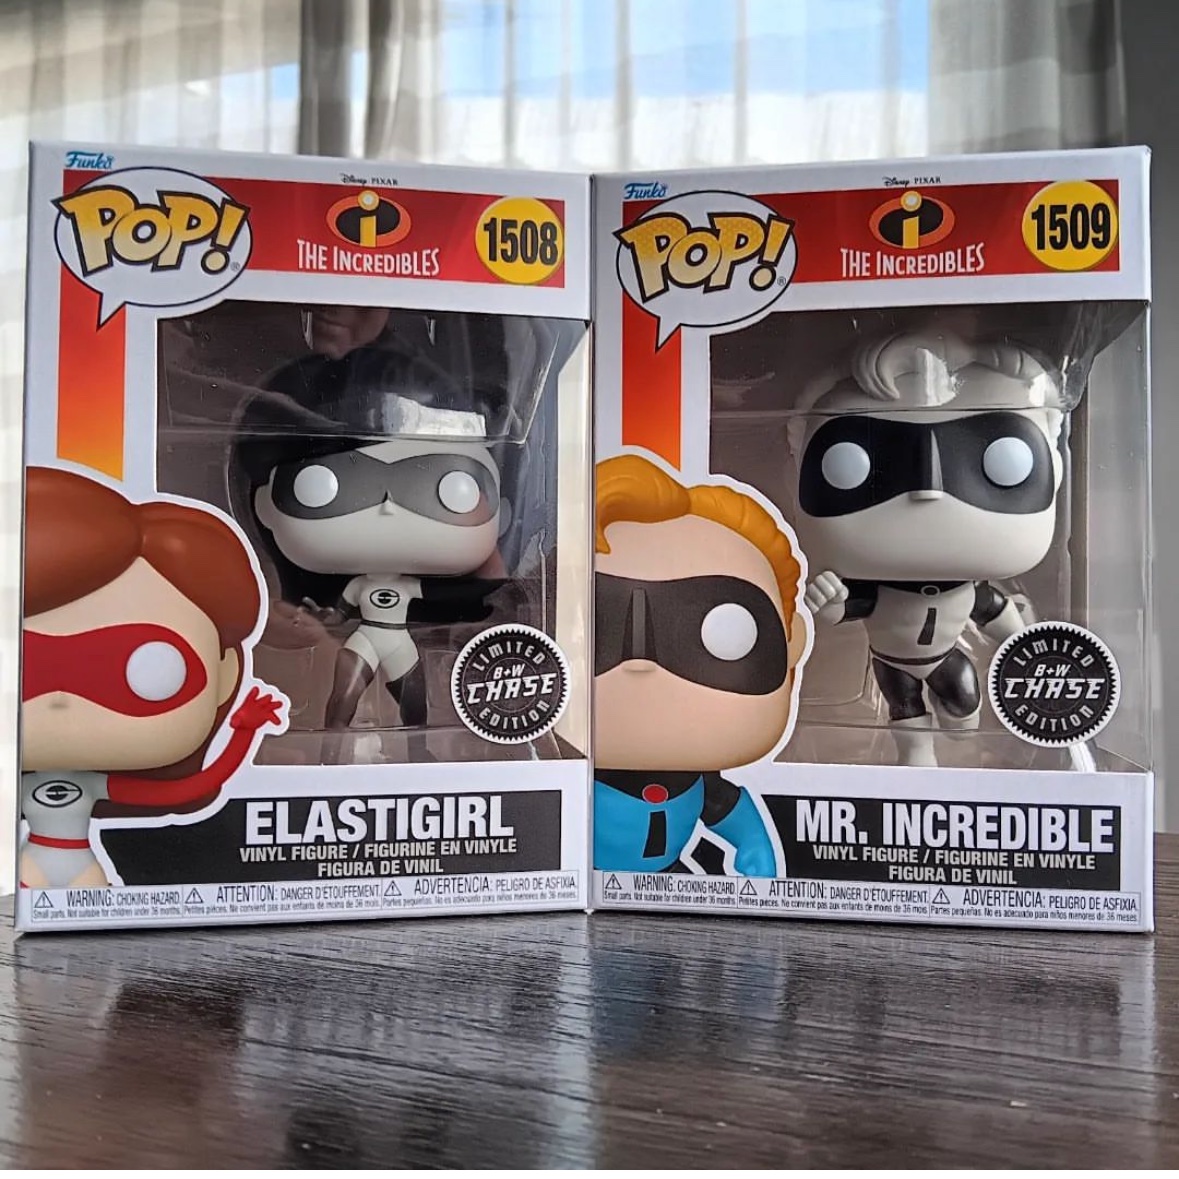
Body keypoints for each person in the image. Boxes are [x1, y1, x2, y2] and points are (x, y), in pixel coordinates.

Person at [794, 331, 1062, 766]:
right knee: (905, 711)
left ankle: (960, 730)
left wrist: (1025, 646)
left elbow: (995, 613)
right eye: (852, 463)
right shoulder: (875, 586)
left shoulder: (967, 587)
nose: (928, 490)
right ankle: (917, 754)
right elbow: (842, 609)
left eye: (1002, 461)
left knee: (964, 709)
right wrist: (826, 601)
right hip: (890, 661)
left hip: (946, 657)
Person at [20, 467, 285, 888]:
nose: (59, 699)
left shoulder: (95, 785)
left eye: (136, 669)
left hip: (83, 867)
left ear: (225, 672)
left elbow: (192, 787)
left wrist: (245, 729)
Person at [594, 454, 810, 876]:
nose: (640, 664)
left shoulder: (699, 784)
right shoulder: (575, 782)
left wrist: (755, 848)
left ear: (792, 644)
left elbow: (733, 817)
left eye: (726, 635)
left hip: (674, 883)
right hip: (584, 883)